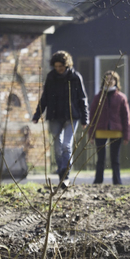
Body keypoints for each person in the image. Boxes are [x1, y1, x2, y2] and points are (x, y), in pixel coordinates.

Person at [32, 51, 89, 186]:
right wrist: (37, 114)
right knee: (57, 149)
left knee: (66, 146)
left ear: (66, 65)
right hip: (54, 116)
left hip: (71, 116)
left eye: (61, 67)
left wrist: (85, 119)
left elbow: (82, 98)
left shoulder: (75, 77)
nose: (58, 69)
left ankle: (65, 175)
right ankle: (61, 173)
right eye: (56, 66)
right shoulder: (51, 77)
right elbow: (45, 97)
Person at [88, 70, 130, 185]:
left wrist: (126, 135)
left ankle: (117, 181)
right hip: (100, 131)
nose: (109, 81)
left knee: (115, 158)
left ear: (116, 81)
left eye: (112, 79)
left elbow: (126, 117)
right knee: (100, 158)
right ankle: (98, 180)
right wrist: (91, 134)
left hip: (116, 131)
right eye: (107, 79)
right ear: (103, 81)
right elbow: (92, 115)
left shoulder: (121, 97)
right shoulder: (98, 97)